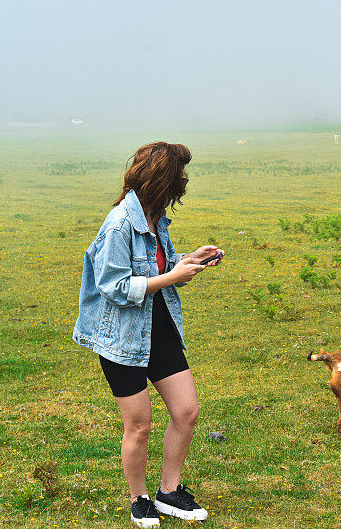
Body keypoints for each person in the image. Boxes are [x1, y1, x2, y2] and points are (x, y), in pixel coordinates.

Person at [73, 142, 222, 527]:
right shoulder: (120, 223)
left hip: (159, 328)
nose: (184, 183)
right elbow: (115, 287)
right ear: (161, 181)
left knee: (186, 411)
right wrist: (172, 277)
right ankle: (139, 499)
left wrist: (187, 261)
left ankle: (169, 493)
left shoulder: (155, 217)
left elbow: (159, 266)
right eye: (179, 177)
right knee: (139, 425)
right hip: (121, 338)